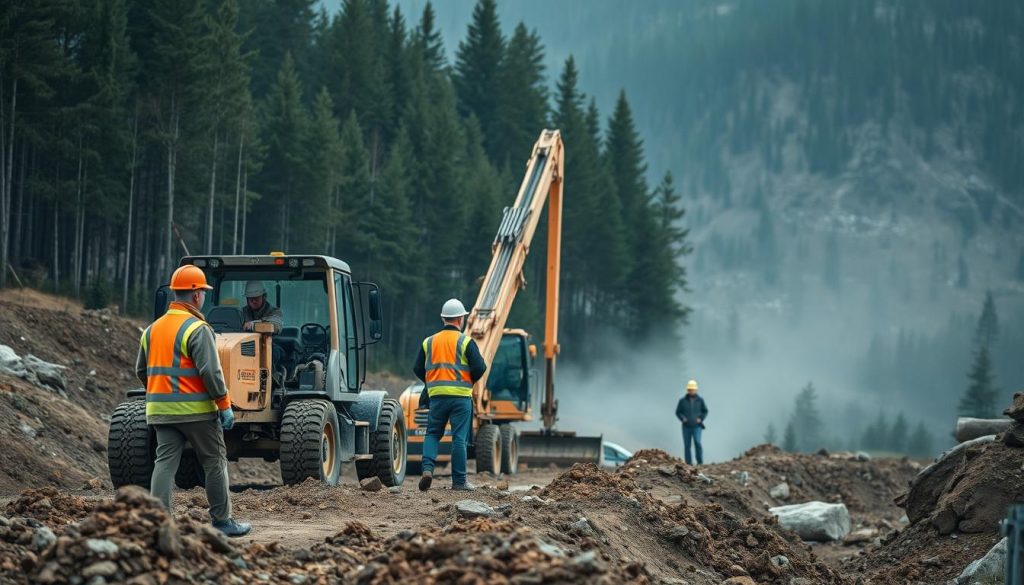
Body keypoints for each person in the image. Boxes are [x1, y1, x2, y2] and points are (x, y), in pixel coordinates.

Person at [136, 265, 251, 537]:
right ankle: (222, 521)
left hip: (160, 411)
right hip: (197, 411)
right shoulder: (197, 328)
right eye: (203, 291)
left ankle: (160, 522)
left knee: (164, 463)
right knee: (214, 462)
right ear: (197, 295)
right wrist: (224, 405)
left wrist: (160, 393)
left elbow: (141, 371)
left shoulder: (151, 330)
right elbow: (210, 372)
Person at [412, 298, 487, 492]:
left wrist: (432, 382)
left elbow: (417, 368)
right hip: (461, 398)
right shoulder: (465, 341)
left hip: (437, 396)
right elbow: (480, 367)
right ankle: (459, 482)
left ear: (443, 318)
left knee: (432, 434)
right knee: (459, 439)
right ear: (461, 319)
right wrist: (467, 381)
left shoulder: (429, 342)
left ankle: (428, 470)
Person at [676, 379, 708, 465]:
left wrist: (701, 418)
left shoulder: (700, 400)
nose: (691, 391)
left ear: (696, 390)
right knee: (687, 445)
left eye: (693, 389)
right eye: (690, 389)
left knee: (697, 442)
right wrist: (683, 419)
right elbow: (678, 412)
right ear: (687, 390)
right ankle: (688, 463)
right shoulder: (682, 401)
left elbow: (705, 411)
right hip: (686, 427)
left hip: (697, 426)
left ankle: (700, 462)